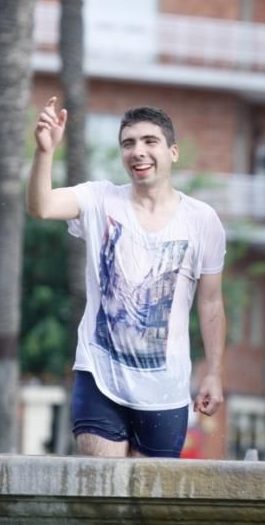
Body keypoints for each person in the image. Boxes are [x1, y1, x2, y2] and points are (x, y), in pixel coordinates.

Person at [27, 98, 226, 458]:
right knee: (101, 494)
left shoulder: (202, 220)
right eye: (128, 143)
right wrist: (45, 153)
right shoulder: (100, 199)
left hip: (166, 387)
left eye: (150, 141)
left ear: (173, 152)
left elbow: (211, 302)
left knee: (148, 508)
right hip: (100, 376)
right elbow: (41, 206)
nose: (138, 151)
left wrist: (213, 372)